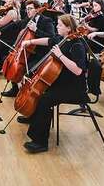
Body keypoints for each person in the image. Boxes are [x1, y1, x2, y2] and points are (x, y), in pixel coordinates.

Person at [20, 14, 89, 153]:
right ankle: (34, 118)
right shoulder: (62, 38)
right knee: (39, 91)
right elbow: (49, 40)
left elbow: (78, 71)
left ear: (69, 28)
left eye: (60, 25)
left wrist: (60, 56)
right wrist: (30, 42)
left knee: (45, 99)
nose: (56, 26)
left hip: (74, 87)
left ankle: (40, 142)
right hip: (61, 81)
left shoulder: (77, 44)